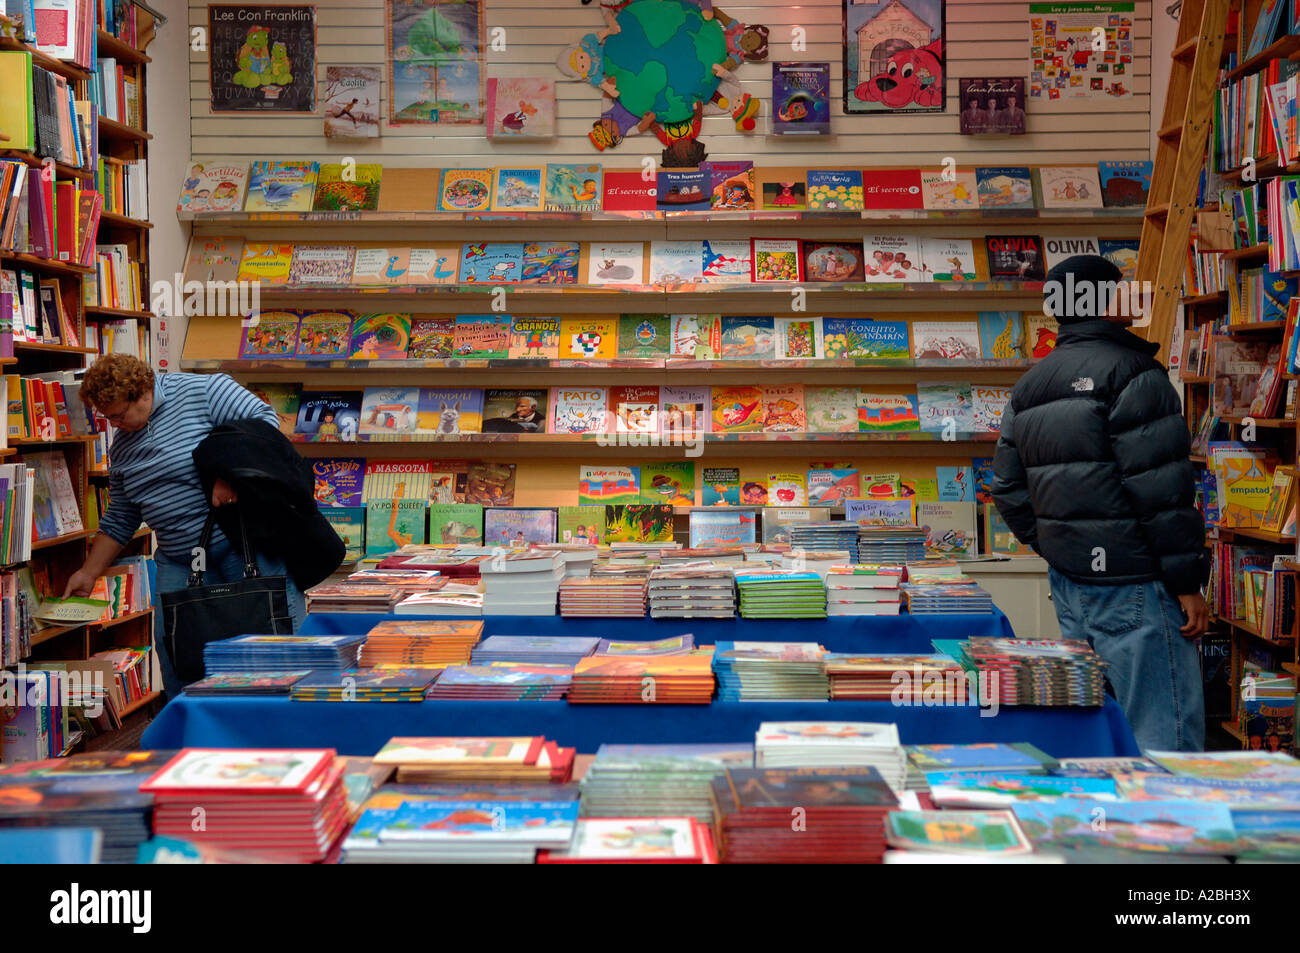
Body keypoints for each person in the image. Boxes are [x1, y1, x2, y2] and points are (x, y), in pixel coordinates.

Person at [991, 255, 1210, 752]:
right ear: (1099, 300)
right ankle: (1167, 829)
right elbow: (1163, 495)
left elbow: (1006, 488)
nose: (1134, 294)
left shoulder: (1030, 385)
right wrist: (1187, 582)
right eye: (1122, 287)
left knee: (1099, 731)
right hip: (1138, 585)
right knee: (1164, 736)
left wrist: (1057, 545)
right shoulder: (1136, 374)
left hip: (1070, 584)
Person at [64, 355, 308, 700]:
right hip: (184, 560)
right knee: (181, 659)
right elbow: (121, 516)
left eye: (119, 414)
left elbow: (266, 425)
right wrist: (89, 573)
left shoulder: (204, 391)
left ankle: (283, 741)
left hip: (245, 545)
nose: (115, 424)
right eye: (108, 418)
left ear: (143, 393)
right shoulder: (122, 450)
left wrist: (229, 474)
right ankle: (195, 744)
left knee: (274, 652)